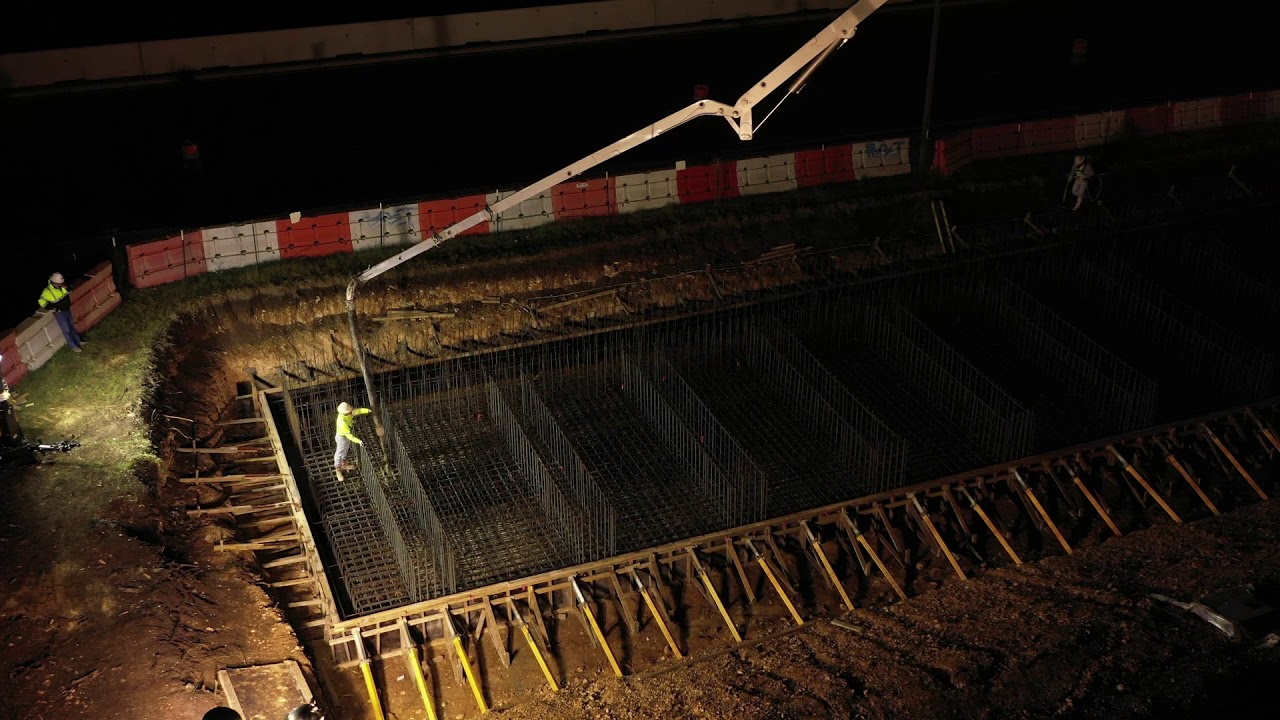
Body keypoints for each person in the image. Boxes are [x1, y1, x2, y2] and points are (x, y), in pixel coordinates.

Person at [36, 272, 85, 353]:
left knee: (72, 326)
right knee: (67, 330)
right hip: (59, 312)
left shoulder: (62, 286)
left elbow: (70, 290)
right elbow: (41, 301)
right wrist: (52, 308)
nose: (62, 283)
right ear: (54, 282)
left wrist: (66, 287)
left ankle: (79, 341)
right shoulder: (47, 291)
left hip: (67, 309)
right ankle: (74, 346)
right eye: (60, 283)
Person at [334, 401, 371, 481]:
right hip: (342, 437)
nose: (352, 412)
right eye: (350, 411)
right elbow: (349, 436)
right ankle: (338, 469)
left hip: (346, 436)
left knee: (345, 450)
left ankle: (344, 464)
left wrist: (368, 410)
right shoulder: (342, 422)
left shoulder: (348, 413)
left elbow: (358, 411)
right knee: (340, 452)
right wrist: (358, 441)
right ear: (346, 412)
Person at [1, 359, 25, 446]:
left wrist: (6, 392)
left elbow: (3, 383)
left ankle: (18, 438)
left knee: (11, 419)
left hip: (4, 402)